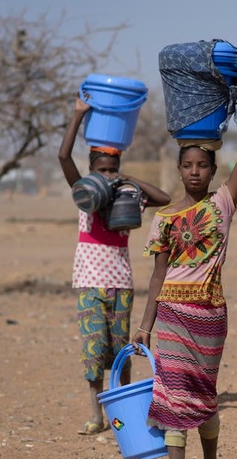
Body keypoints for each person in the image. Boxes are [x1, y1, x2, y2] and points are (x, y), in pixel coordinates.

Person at [132, 70, 237, 459]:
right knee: (172, 399)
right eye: (188, 165)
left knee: (203, 395)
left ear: (213, 170)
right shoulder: (164, 218)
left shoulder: (222, 204)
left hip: (209, 316)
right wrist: (144, 326)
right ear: (180, 169)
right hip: (171, 315)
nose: (195, 171)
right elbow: (158, 277)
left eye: (202, 165)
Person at [58, 95, 171, 435]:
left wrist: (127, 180)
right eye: (100, 171)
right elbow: (63, 156)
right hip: (89, 283)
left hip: (121, 282)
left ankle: (123, 410)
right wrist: (78, 115)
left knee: (121, 350)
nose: (106, 177)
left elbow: (164, 199)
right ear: (90, 174)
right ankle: (97, 415)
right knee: (94, 350)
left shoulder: (126, 197)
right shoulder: (85, 196)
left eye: (111, 170)